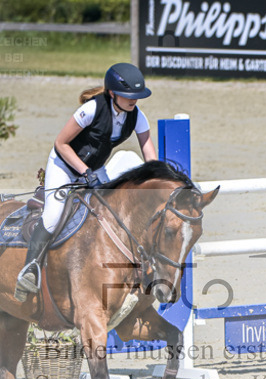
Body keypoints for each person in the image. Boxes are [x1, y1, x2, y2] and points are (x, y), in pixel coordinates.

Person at [16, 62, 159, 296]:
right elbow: (61, 144)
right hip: (64, 166)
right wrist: (85, 172)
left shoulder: (137, 116)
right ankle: (29, 270)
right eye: (128, 95)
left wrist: (158, 182)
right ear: (112, 93)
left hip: (95, 169)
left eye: (137, 96)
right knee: (52, 217)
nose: (134, 100)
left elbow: (150, 157)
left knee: (122, 185)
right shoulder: (92, 109)